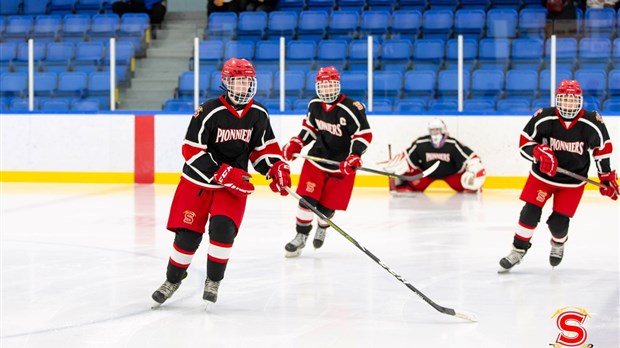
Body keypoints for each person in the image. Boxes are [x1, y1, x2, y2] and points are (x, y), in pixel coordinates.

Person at [151, 58, 291, 307]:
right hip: (198, 182)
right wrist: (221, 172)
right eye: (237, 82)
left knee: (224, 230)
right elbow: (191, 150)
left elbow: (262, 149)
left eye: (246, 82)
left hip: (233, 186)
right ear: (226, 83)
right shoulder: (209, 111)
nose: (242, 87)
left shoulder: (258, 113)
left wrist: (275, 167)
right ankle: (172, 279)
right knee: (187, 236)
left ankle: (213, 280)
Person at [498, 80, 618, 273]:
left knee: (558, 223)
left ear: (579, 101)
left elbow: (601, 149)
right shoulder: (544, 117)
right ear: (557, 100)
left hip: (573, 181)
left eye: (573, 100)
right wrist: (538, 152)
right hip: (542, 177)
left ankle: (558, 243)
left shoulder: (591, 121)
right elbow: (524, 142)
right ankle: (517, 250)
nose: (568, 104)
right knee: (530, 212)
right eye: (564, 99)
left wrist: (605, 176)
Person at [281, 66, 373, 257]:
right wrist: (297, 142)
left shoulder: (351, 107)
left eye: (331, 85)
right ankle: (300, 236)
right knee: (306, 202)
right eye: (323, 85)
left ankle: (323, 226)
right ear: (317, 86)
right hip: (317, 160)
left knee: (325, 209)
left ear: (338, 85)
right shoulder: (314, 104)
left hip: (341, 166)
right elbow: (310, 128)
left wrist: (355, 154)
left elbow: (364, 134)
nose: (327, 90)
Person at [381, 118, 486, 195]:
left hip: (451, 174)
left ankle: (474, 186)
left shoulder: (452, 144)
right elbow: (407, 158)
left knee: (466, 184)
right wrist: (397, 168)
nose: (435, 134)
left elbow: (472, 158)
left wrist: (473, 170)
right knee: (413, 182)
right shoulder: (421, 143)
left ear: (443, 130)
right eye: (432, 131)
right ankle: (404, 184)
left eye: (437, 130)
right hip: (426, 175)